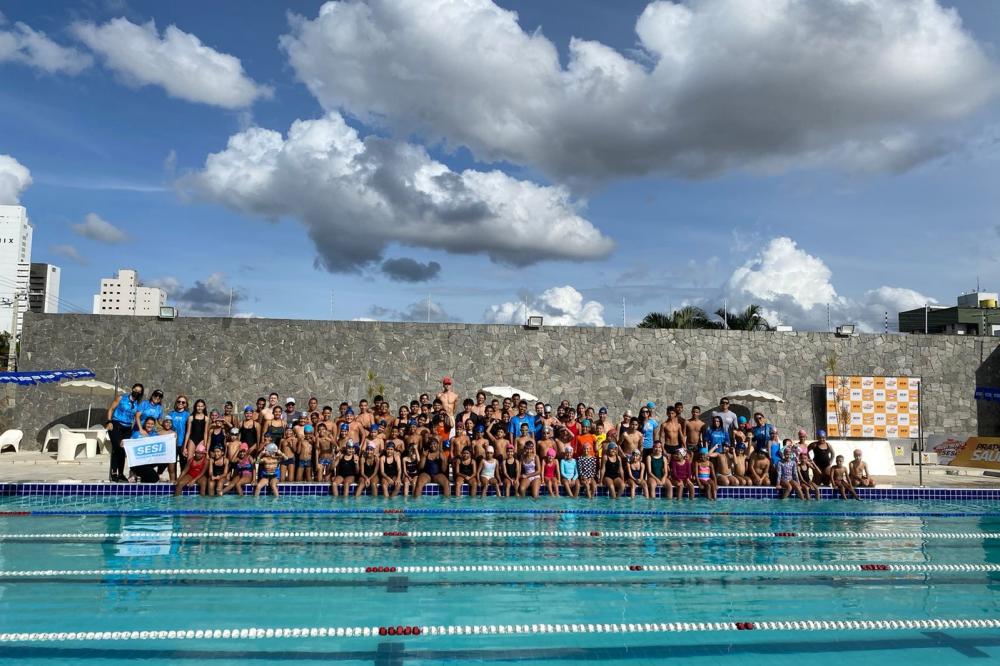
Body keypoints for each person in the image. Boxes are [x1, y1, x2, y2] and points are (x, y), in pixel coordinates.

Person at [105, 382, 144, 482]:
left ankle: (121, 474)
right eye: (135, 390)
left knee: (123, 449)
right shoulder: (121, 398)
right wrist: (109, 421)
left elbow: (137, 418)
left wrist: (141, 430)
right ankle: (114, 473)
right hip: (116, 424)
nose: (137, 392)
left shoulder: (137, 404)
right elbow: (111, 409)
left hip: (127, 428)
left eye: (139, 391)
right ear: (132, 389)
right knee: (117, 447)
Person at [128, 415, 164, 483]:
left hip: (148, 462)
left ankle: (159, 473)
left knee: (153, 478)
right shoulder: (137, 433)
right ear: (144, 424)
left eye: (152, 424)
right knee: (154, 478)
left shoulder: (155, 435)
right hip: (137, 463)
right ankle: (134, 471)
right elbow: (129, 443)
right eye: (148, 423)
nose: (150, 425)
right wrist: (124, 443)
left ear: (154, 425)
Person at [166, 395, 190, 481]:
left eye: (183, 402)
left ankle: (181, 482)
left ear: (185, 404)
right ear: (176, 402)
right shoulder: (171, 414)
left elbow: (189, 430)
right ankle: (173, 481)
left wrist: (186, 445)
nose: (180, 403)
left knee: (183, 465)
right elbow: (166, 426)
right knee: (172, 465)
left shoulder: (188, 415)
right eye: (179, 401)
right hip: (172, 443)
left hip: (183, 443)